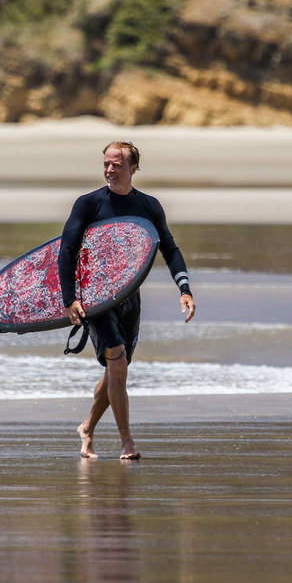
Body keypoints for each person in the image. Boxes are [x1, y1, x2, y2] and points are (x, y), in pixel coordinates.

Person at [60, 141, 196, 460]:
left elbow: (170, 250)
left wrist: (185, 289)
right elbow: (66, 251)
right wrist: (70, 299)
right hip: (95, 297)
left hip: (128, 297)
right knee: (117, 362)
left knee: (115, 371)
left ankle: (87, 429)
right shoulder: (88, 204)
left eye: (117, 165)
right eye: (106, 163)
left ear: (133, 168)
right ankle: (126, 441)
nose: (109, 169)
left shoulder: (148, 206)